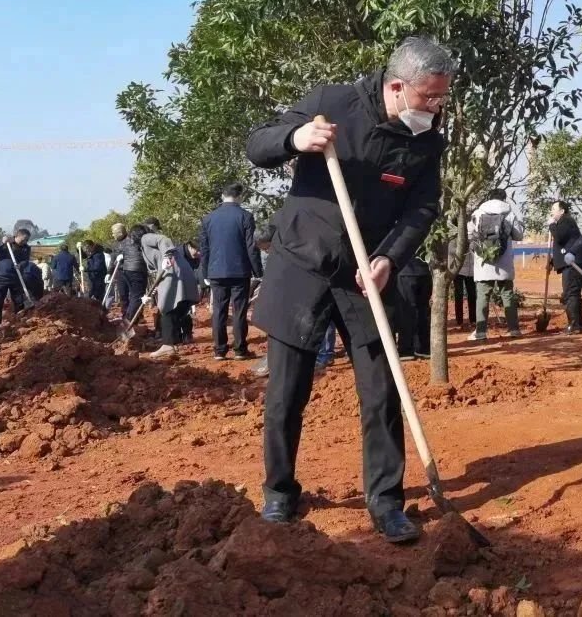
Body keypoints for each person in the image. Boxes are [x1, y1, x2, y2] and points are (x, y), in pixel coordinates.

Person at [245, 36, 452, 542]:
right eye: (430, 97)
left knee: (381, 391)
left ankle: (386, 502)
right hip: (304, 265)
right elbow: (258, 144)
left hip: (366, 276)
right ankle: (279, 493)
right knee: (286, 392)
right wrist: (296, 138)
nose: (437, 107)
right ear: (397, 86)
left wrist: (389, 257)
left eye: (443, 98)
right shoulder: (330, 103)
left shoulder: (427, 140)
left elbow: (422, 208)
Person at [199, 183, 262, 360]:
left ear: (222, 196)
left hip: (216, 271)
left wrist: (204, 274)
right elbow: (251, 247)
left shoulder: (208, 219)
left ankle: (219, 351)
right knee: (239, 310)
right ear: (240, 196)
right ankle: (240, 350)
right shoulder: (246, 216)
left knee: (219, 310)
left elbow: (204, 249)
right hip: (239, 271)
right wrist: (258, 270)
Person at [468, 189, 526, 340]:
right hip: (504, 262)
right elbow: (519, 235)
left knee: (482, 296)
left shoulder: (478, 212)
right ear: (504, 198)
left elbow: (469, 234)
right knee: (507, 295)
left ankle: (480, 332)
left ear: (488, 197)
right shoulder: (509, 213)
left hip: (484, 261)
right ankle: (514, 329)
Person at [140, 219, 200, 360]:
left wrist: (167, 256)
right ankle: (173, 341)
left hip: (173, 274)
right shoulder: (146, 244)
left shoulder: (144, 238)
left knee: (167, 308)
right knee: (178, 308)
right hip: (178, 273)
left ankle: (168, 345)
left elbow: (164, 239)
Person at [549, 200, 582, 334]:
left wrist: (552, 225)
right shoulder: (564, 222)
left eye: (554, 209)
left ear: (562, 211)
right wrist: (553, 261)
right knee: (573, 294)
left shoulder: (566, 221)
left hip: (573, 265)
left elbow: (559, 237)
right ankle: (580, 324)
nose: (551, 211)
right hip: (570, 263)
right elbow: (565, 245)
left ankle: (574, 325)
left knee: (570, 294)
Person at [0, 230, 31, 330]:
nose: (25, 242)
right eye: (24, 239)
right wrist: (1, 242)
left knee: (19, 301)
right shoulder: (6, 243)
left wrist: (20, 265)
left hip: (16, 277)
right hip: (1, 277)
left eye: (27, 240)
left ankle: (18, 324)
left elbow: (26, 261)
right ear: (17, 236)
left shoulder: (26, 248)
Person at [396, 255, 432, 359]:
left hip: (406, 271)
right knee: (423, 311)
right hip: (425, 271)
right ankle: (423, 348)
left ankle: (406, 349)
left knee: (407, 311)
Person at [449, 232, 476, 328]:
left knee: (472, 294)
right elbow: (451, 250)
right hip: (458, 270)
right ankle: (459, 320)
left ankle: (473, 319)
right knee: (459, 294)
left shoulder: (474, 235)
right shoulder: (454, 236)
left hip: (471, 270)